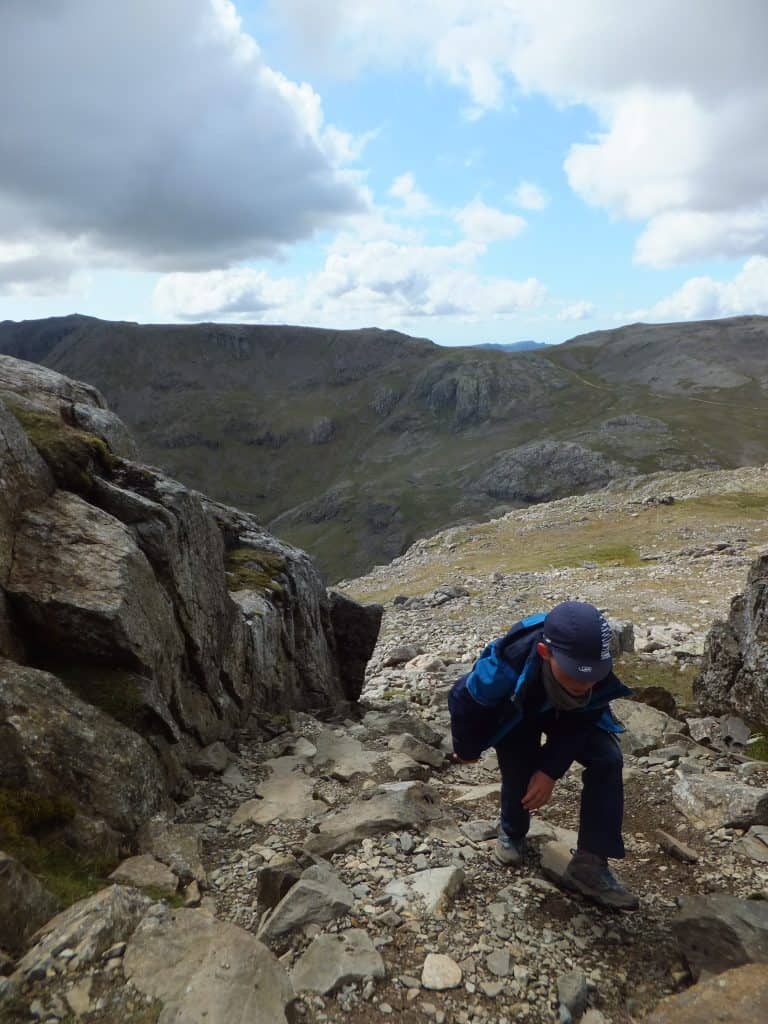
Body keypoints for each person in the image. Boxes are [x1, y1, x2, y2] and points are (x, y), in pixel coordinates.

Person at [448, 600, 639, 911]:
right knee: (519, 773)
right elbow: (463, 700)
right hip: (518, 712)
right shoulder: (506, 664)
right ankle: (512, 831)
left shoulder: (593, 660)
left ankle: (590, 865)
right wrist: (466, 749)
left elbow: (587, 714)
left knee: (607, 758)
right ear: (544, 653)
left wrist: (550, 770)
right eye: (575, 674)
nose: (585, 684)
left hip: (571, 714)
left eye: (592, 676)